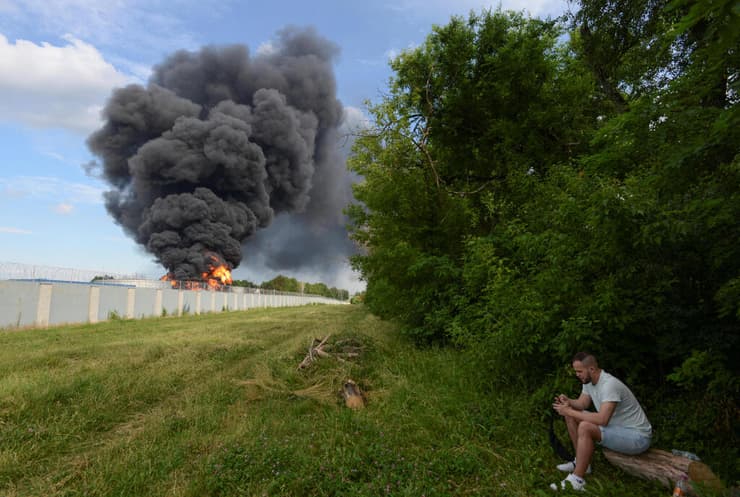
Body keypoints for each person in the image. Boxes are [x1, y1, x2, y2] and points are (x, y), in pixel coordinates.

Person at [551, 352, 652, 491]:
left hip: (638, 437)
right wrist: (569, 402)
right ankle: (581, 464)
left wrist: (568, 410)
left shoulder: (609, 385)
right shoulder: (588, 381)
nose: (577, 374)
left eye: (579, 371)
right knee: (571, 416)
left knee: (585, 426)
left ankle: (577, 480)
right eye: (576, 371)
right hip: (617, 429)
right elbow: (582, 403)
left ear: (591, 369)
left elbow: (602, 420)